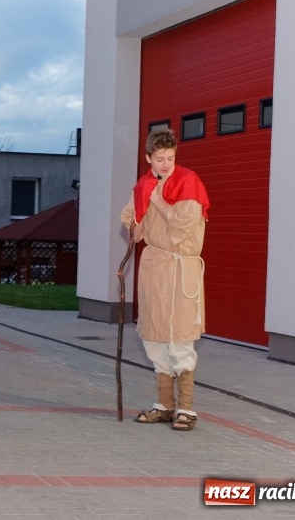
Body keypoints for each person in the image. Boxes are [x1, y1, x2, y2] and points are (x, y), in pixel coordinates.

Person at [120, 128, 210, 431]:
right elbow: (134, 228)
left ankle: (186, 408)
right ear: (149, 158)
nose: (165, 165)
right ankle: (164, 405)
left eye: (170, 158)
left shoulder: (189, 183)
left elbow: (182, 227)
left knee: (181, 337)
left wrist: (158, 201)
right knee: (155, 335)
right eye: (159, 159)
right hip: (154, 269)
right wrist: (139, 213)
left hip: (181, 267)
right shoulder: (143, 186)